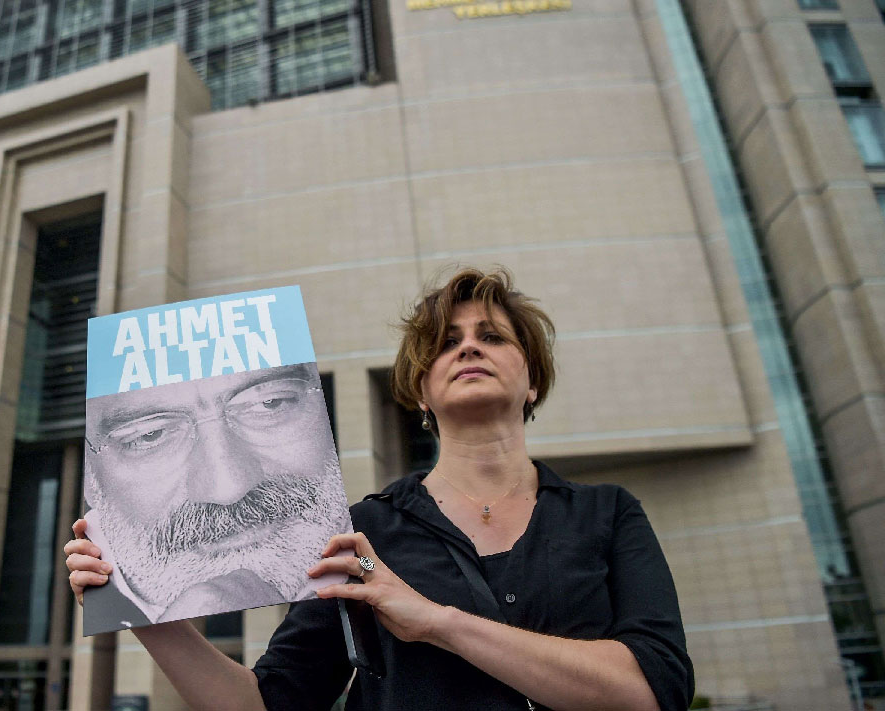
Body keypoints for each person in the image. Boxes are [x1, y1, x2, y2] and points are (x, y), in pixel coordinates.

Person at [67, 267, 693, 710]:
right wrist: (143, 615)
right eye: (447, 343)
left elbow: (652, 690)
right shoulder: (358, 532)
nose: (468, 346)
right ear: (420, 391)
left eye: (493, 337)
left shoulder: (606, 513)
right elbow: (269, 705)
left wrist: (435, 621)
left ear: (533, 380)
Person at [81, 361, 352, 633]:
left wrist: (371, 569)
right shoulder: (98, 582)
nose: (228, 490)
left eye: (270, 403)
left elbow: (369, 561)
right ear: (90, 479)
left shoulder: (370, 529)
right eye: (149, 435)